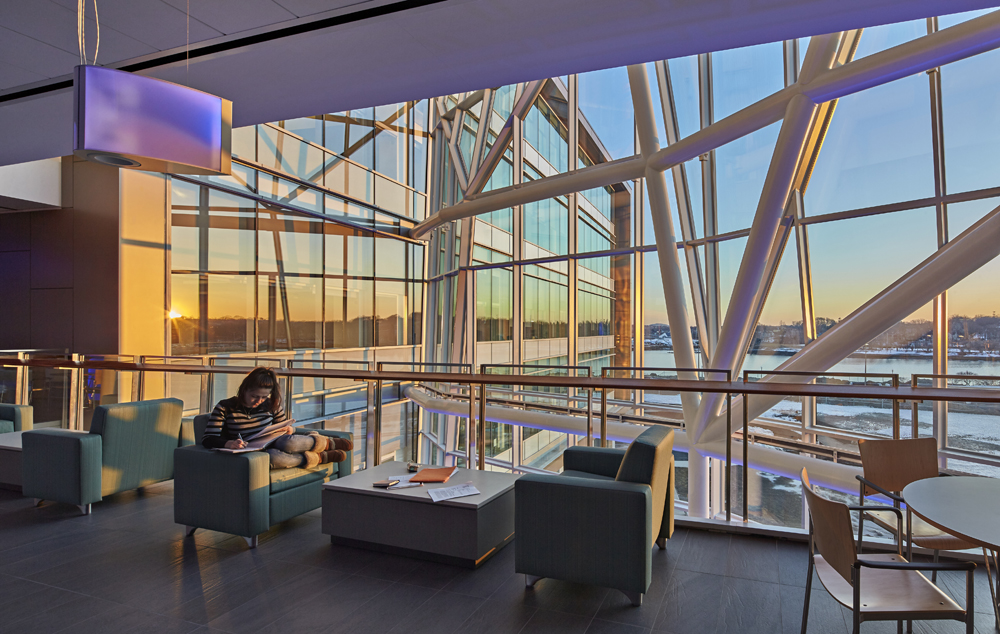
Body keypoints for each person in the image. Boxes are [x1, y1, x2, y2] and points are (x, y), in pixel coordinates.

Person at [202, 367, 352, 469]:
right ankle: (319, 458)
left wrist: (288, 429)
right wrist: (229, 443)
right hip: (255, 451)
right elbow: (208, 439)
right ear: (244, 390)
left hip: (276, 443)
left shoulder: (270, 405)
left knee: (288, 443)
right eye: (254, 396)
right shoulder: (225, 407)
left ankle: (327, 443)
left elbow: (286, 431)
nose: (259, 401)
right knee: (273, 458)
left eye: (263, 397)